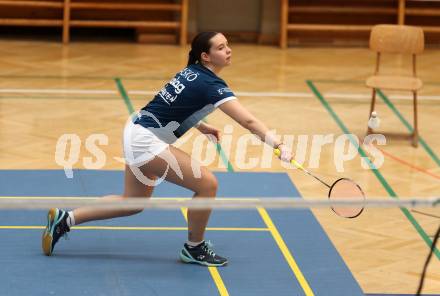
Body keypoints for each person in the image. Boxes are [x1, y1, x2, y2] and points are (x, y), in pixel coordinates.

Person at [42, 31, 293, 267]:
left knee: (133, 201)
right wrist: (278, 145)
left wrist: (200, 125)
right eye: (221, 47)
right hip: (145, 139)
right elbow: (247, 121)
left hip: (136, 127)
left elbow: (174, 105)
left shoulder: (192, 72)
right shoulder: (212, 85)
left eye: (227, 45)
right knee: (207, 185)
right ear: (206, 56)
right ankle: (194, 248)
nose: (228, 50)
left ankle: (66, 220)